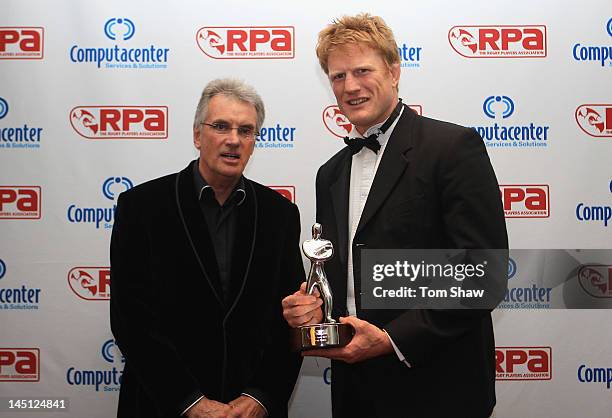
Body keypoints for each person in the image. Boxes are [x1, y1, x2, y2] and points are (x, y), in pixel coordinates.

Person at [282, 14, 508, 418]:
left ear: (394, 70)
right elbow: (343, 275)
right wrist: (314, 308)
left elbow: (482, 274)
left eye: (362, 70)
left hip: (439, 389)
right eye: (337, 76)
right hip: (356, 393)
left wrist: (390, 339)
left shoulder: (453, 147)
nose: (350, 86)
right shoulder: (330, 173)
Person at [110, 79, 304, 418]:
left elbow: (289, 319)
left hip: (250, 411)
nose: (233, 140)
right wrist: (188, 402)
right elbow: (132, 319)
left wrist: (260, 397)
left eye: (246, 130)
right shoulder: (142, 207)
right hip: (163, 405)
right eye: (221, 127)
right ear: (198, 135)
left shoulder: (280, 214)